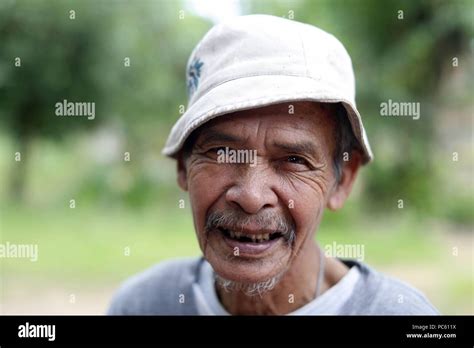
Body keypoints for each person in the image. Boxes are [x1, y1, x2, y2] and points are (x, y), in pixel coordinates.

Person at [108, 14, 438, 315]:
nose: (251, 196)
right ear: (183, 166)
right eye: (223, 152)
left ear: (342, 181)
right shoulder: (144, 305)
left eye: (294, 160)